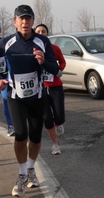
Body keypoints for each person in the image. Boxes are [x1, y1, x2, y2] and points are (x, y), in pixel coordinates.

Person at [0, 5, 60, 197]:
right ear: (15, 22)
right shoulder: (7, 42)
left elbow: (54, 69)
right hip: (15, 97)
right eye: (21, 19)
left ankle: (31, 170)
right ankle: (21, 175)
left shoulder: (42, 41)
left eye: (28, 19)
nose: (25, 22)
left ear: (33, 21)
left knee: (35, 137)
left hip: (37, 97)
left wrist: (44, 61)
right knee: (21, 135)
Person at [35, 23, 66, 155]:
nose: (41, 34)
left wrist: (58, 70)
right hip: (40, 88)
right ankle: (55, 144)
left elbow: (63, 62)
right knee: (47, 118)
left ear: (47, 34)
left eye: (43, 31)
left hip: (55, 86)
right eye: (38, 32)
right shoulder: (32, 50)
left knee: (59, 116)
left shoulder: (54, 48)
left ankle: (58, 123)